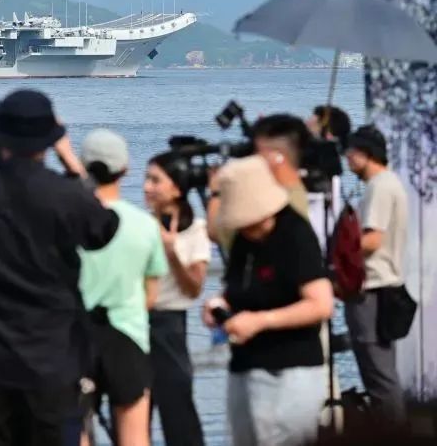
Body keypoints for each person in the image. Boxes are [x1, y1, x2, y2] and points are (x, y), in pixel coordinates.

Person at [0, 89, 119, 446]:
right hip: (53, 360)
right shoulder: (66, 195)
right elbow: (104, 228)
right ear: (50, 137)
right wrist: (68, 156)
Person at [202, 155, 334, 446]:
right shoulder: (243, 240)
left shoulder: (295, 234)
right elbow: (236, 289)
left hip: (288, 370)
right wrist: (219, 305)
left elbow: (321, 304)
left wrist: (261, 321)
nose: (244, 228)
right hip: (245, 366)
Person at [78, 129, 168, 446]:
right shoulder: (145, 224)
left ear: (82, 167)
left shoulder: (67, 220)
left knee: (76, 431)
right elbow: (151, 295)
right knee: (135, 435)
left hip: (75, 338)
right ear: (125, 170)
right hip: (128, 335)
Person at [344, 125, 409, 423]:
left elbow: (371, 240)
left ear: (364, 153)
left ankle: (393, 434)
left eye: (351, 151)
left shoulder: (379, 186)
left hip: (372, 290)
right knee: (383, 372)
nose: (347, 158)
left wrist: (338, 258)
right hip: (384, 289)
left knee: (379, 376)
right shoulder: (388, 183)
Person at [142, 151, 208, 446]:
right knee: (134, 413)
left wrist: (171, 253)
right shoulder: (138, 225)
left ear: (177, 189)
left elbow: (194, 288)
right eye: (147, 179)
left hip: (170, 325)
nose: (147, 187)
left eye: (155, 180)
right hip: (134, 321)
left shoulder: (196, 229)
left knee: (178, 411)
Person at [208, 114, 312, 250]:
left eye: (257, 154)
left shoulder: (276, 205)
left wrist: (217, 192)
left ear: (276, 158)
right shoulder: (300, 192)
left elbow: (217, 232)